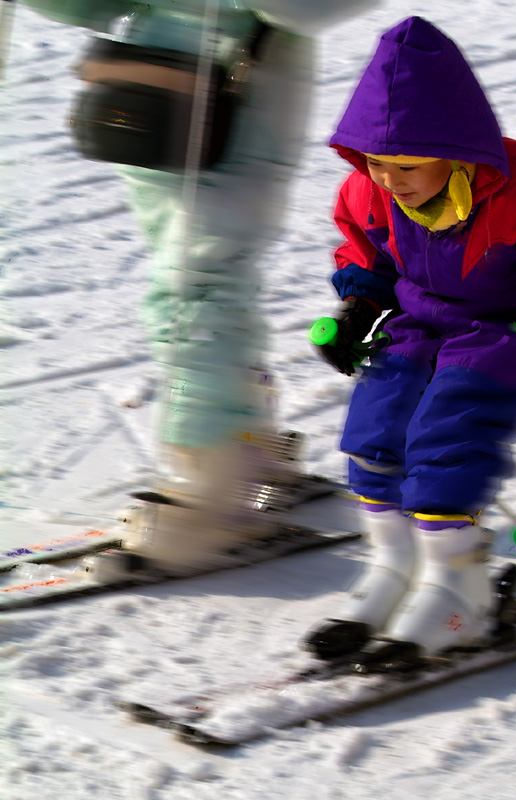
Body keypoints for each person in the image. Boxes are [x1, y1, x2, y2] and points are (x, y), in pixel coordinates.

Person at [303, 16, 516, 667]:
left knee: (444, 441)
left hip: (503, 329)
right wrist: (356, 309)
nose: (388, 178)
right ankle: (394, 570)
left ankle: (458, 589)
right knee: (374, 432)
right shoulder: (368, 189)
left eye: (405, 164)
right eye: (374, 162)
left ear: (453, 148)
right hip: (417, 323)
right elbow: (367, 256)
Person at [17, 0, 373, 577]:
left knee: (198, 281)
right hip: (172, 90)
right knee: (195, 278)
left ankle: (216, 472)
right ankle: (233, 457)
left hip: (215, 84)